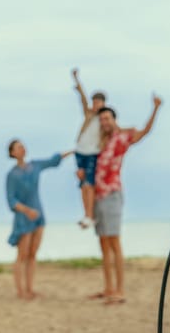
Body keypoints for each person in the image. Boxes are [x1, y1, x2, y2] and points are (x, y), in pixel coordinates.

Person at [91, 95, 162, 305]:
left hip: (112, 194)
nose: (104, 123)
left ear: (114, 119)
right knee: (103, 244)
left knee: (114, 242)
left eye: (107, 119)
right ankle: (108, 288)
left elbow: (144, 132)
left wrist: (155, 108)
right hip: (97, 196)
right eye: (101, 120)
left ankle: (120, 290)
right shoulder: (99, 142)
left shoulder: (123, 138)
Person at [6, 139, 73, 300]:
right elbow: (11, 200)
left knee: (33, 254)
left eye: (23, 146)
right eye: (19, 147)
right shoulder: (12, 175)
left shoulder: (35, 166)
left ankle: (30, 289)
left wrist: (74, 150)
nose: (23, 148)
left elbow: (53, 160)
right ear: (12, 153)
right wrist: (27, 211)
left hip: (39, 216)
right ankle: (20, 291)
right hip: (24, 218)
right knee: (22, 255)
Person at [71, 68, 106, 229]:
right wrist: (77, 81)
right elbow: (83, 99)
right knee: (83, 184)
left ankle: (90, 216)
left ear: (103, 103)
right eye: (94, 102)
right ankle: (86, 215)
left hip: (92, 153)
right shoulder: (89, 114)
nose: (95, 105)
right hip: (80, 152)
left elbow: (115, 129)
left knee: (89, 184)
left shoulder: (105, 118)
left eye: (98, 102)